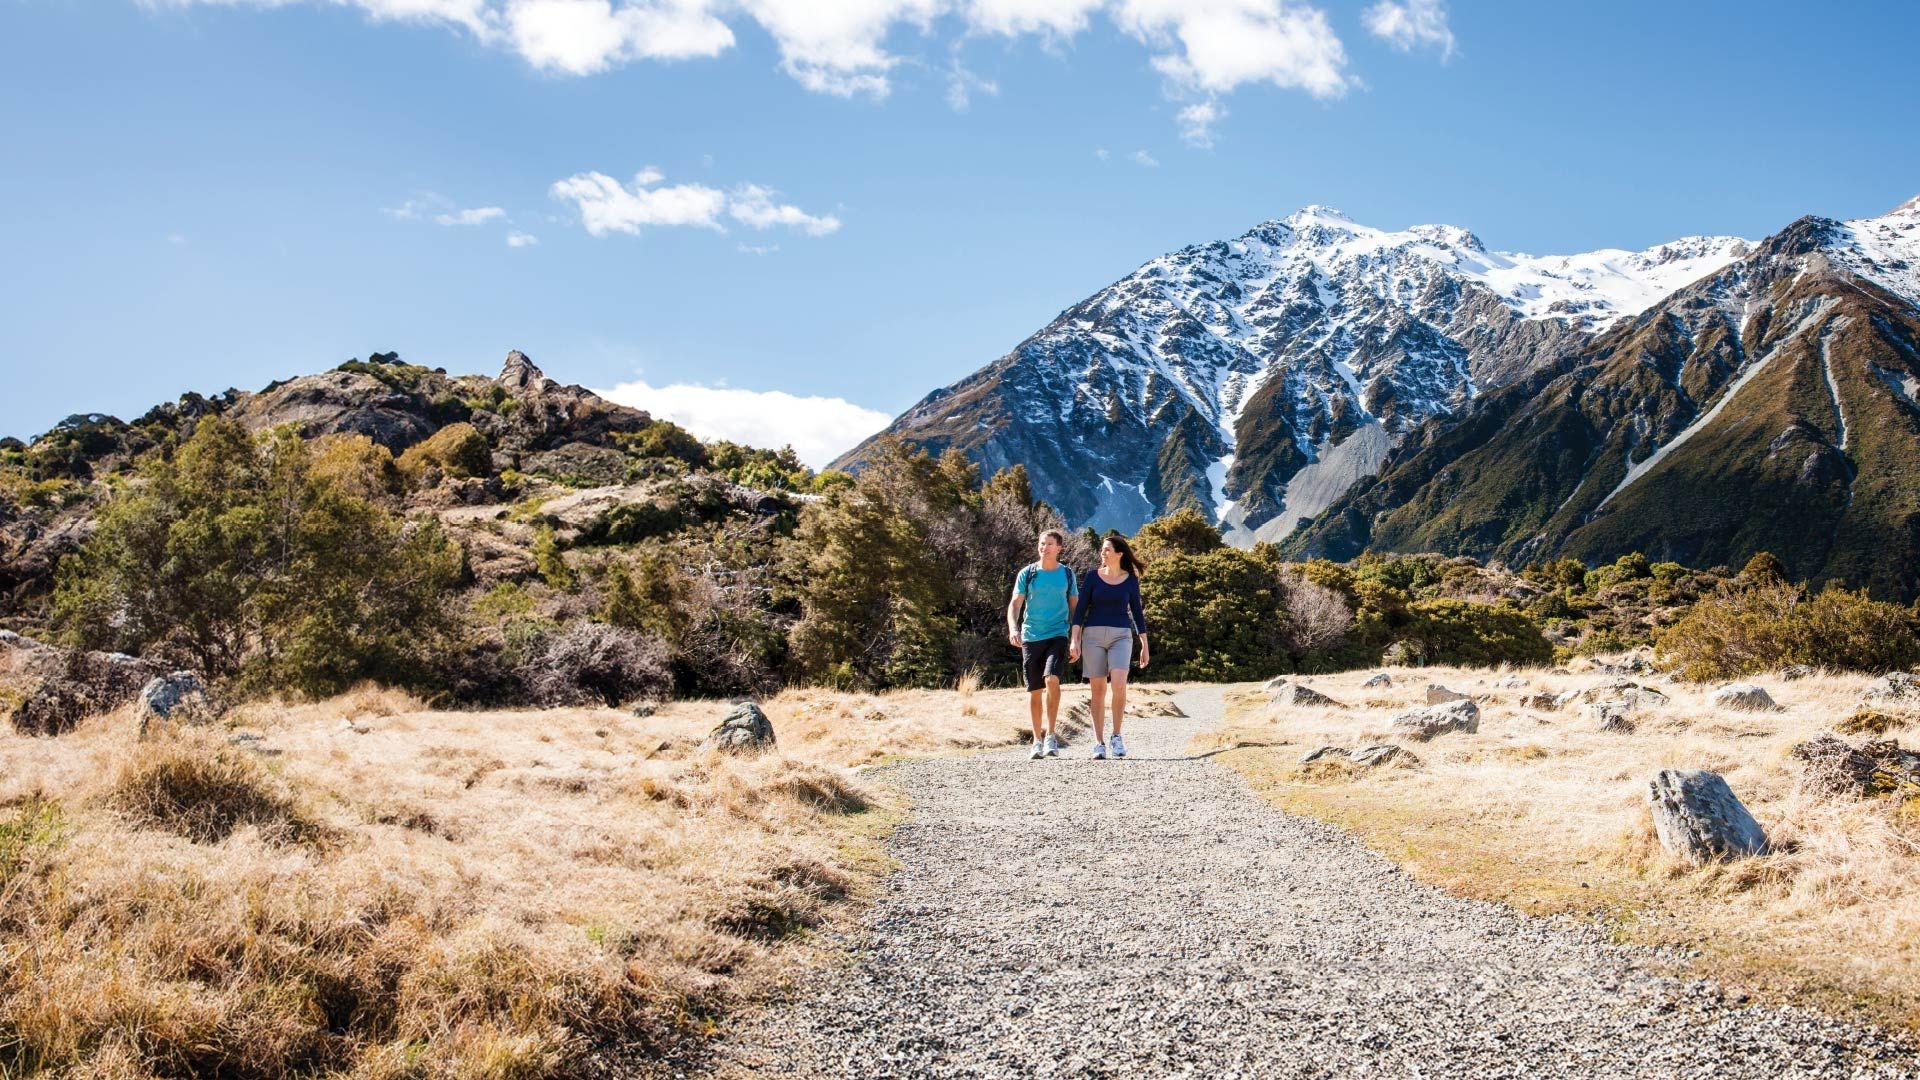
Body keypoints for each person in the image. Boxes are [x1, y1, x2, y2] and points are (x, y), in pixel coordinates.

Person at [1068, 532, 1149, 759]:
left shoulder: (1131, 580)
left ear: (1119, 554)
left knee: (1119, 685)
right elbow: (1080, 610)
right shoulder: (1093, 577)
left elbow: (1137, 613)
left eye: (1106, 549)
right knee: (1098, 690)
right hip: (1092, 636)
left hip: (1121, 636)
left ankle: (1116, 736)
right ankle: (1098, 742)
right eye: (1102, 549)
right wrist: (1074, 639)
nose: (1102, 553)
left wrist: (1144, 644)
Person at [1007, 528, 1078, 759]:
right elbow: (1015, 604)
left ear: (1059, 548)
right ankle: (1036, 740)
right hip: (1031, 636)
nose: (1043, 547)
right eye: (1041, 543)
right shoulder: (1027, 573)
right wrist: (1013, 628)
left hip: (1058, 634)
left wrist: (1075, 639)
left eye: (1049, 544)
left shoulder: (1067, 574)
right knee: (1035, 691)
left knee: (1052, 679)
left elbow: (1075, 608)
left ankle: (1051, 735)